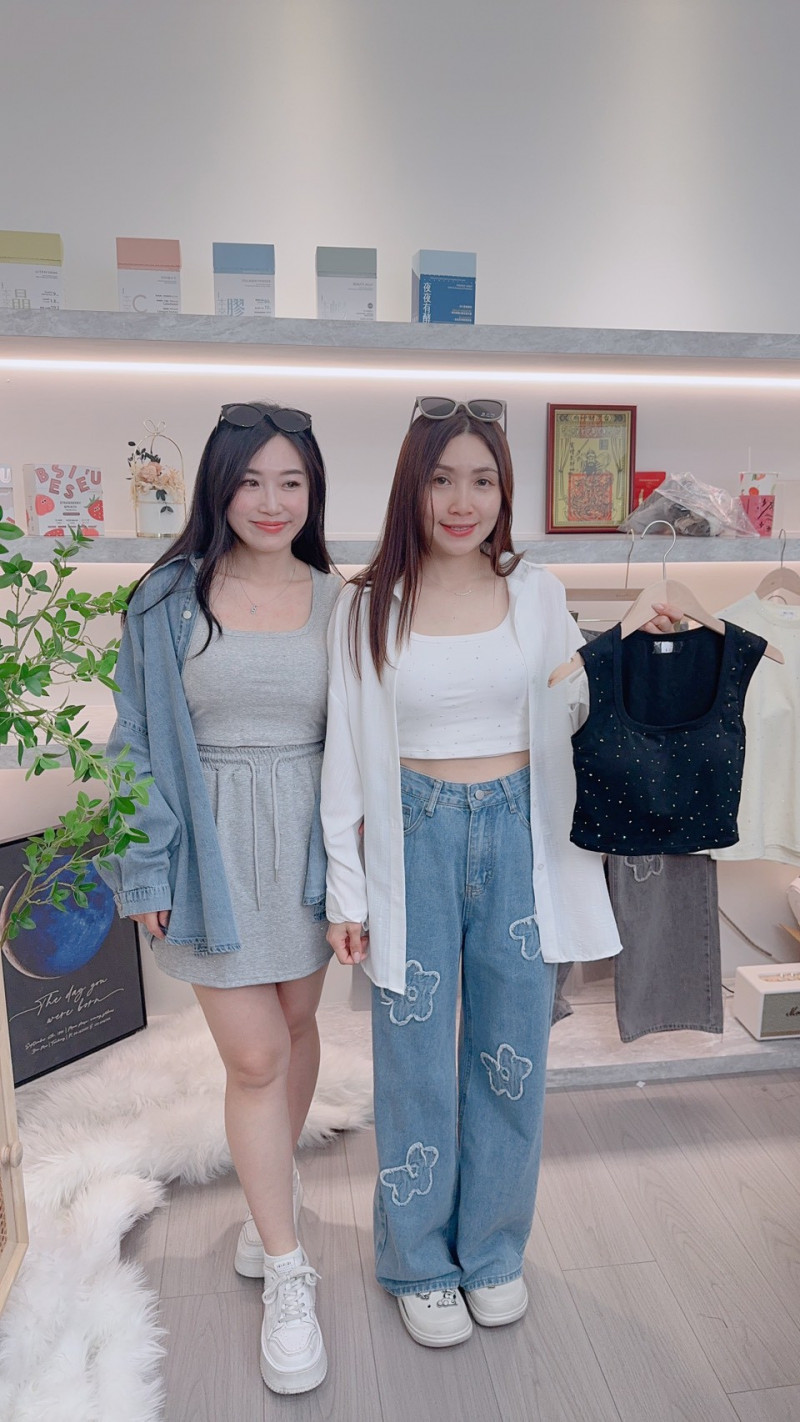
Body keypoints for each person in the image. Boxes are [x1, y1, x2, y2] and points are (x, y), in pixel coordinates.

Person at [320, 397, 679, 1347]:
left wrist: (636, 647)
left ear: (503, 492)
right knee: (414, 1065)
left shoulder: (537, 592)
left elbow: (573, 709)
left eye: (482, 480)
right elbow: (345, 756)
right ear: (412, 486)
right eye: (442, 479)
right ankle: (415, 1262)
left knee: (512, 1055)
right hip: (414, 836)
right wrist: (347, 891)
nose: (461, 501)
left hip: (522, 834)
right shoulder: (366, 604)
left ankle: (491, 1251)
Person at [99, 402, 341, 1395]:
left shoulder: (343, 602)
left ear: (312, 492)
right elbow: (132, 740)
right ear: (217, 487)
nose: (271, 501)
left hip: (309, 849)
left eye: (291, 482)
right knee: (254, 1057)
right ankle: (288, 1270)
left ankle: (269, 1198)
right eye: (250, 481)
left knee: (298, 1029)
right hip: (209, 850)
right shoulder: (164, 598)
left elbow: (363, 744)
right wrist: (144, 868)